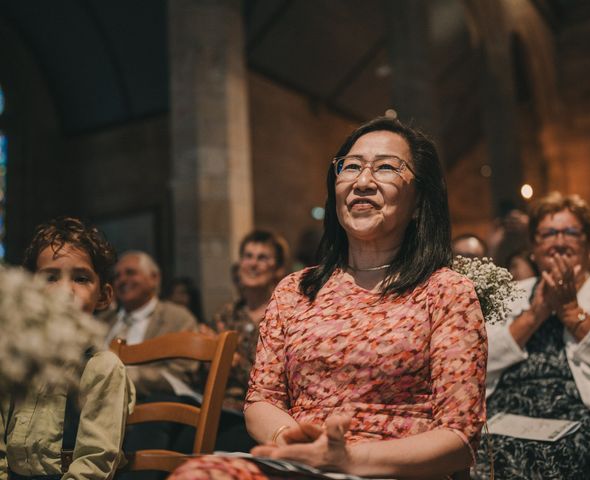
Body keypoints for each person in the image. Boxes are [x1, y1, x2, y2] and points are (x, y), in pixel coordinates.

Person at [170, 116, 487, 480]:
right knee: (198, 473)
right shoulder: (295, 289)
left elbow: (460, 436)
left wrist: (347, 458)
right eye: (350, 167)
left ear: (418, 203)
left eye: (385, 167)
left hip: (392, 471)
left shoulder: (445, 290)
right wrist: (294, 441)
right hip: (300, 467)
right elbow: (261, 399)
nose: (362, 182)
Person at [474, 192, 590, 479]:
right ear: (534, 249)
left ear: (588, 245)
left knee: (540, 459)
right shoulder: (514, 294)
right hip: (508, 414)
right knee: (475, 453)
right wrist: (534, 315)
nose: (559, 242)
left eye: (570, 232)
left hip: (587, 418)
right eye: (548, 233)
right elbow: (478, 365)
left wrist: (571, 311)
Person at [0, 216, 135, 480]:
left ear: (104, 296)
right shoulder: (14, 364)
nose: (64, 291)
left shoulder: (102, 368)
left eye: (81, 278)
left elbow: (94, 465)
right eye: (50, 278)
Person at [103, 251, 199, 471]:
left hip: (149, 404)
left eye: (130, 273)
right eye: (117, 276)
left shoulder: (177, 317)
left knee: (155, 410)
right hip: (97, 407)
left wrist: (127, 377)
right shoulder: (104, 322)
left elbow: (181, 372)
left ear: (154, 278)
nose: (122, 280)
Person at [206, 230, 289, 452]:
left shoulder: (284, 312)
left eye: (263, 258)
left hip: (259, 415)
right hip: (219, 409)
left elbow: (281, 380)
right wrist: (204, 354)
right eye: (248, 256)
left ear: (278, 269)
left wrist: (234, 362)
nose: (253, 264)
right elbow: (203, 377)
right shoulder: (225, 315)